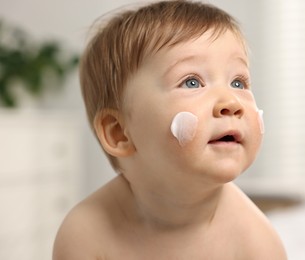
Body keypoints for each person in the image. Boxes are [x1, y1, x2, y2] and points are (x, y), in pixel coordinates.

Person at [53, 1, 286, 259]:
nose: (231, 103)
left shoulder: (254, 241)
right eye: (192, 81)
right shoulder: (86, 234)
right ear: (120, 132)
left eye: (238, 82)